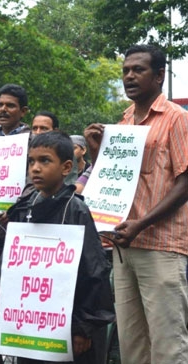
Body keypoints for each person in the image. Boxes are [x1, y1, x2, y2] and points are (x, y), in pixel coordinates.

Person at [84, 44, 188, 364]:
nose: (129, 76)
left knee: (167, 343)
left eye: (138, 70)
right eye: (126, 70)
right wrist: (94, 150)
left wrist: (142, 224)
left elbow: (186, 181)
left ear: (159, 76)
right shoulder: (125, 121)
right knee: (131, 345)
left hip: (161, 246)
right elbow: (112, 179)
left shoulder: (177, 119)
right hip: (123, 245)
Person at [4, 131, 114, 364]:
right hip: (31, 329)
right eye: (31, 161)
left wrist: (83, 328)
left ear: (66, 168)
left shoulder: (75, 211)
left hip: (69, 326)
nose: (35, 168)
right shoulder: (23, 210)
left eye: (45, 161)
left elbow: (94, 272)